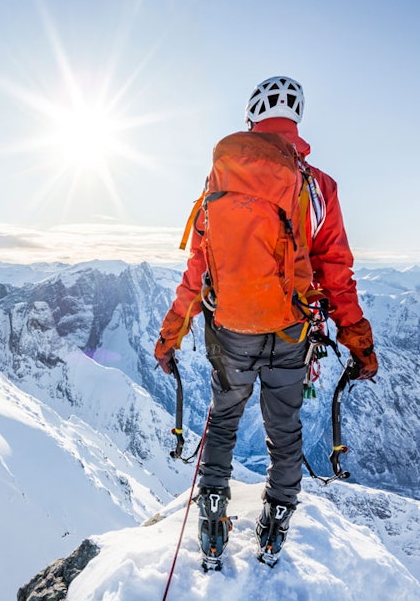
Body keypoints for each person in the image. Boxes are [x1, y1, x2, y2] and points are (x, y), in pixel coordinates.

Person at [153, 75, 377, 569]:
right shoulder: (318, 187)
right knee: (284, 428)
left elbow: (199, 268)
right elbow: (337, 274)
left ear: (251, 120)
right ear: (297, 120)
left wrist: (170, 337)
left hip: (231, 327)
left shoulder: (221, 180)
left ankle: (212, 520)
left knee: (224, 418)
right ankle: (274, 527)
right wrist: (359, 344)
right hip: (292, 330)